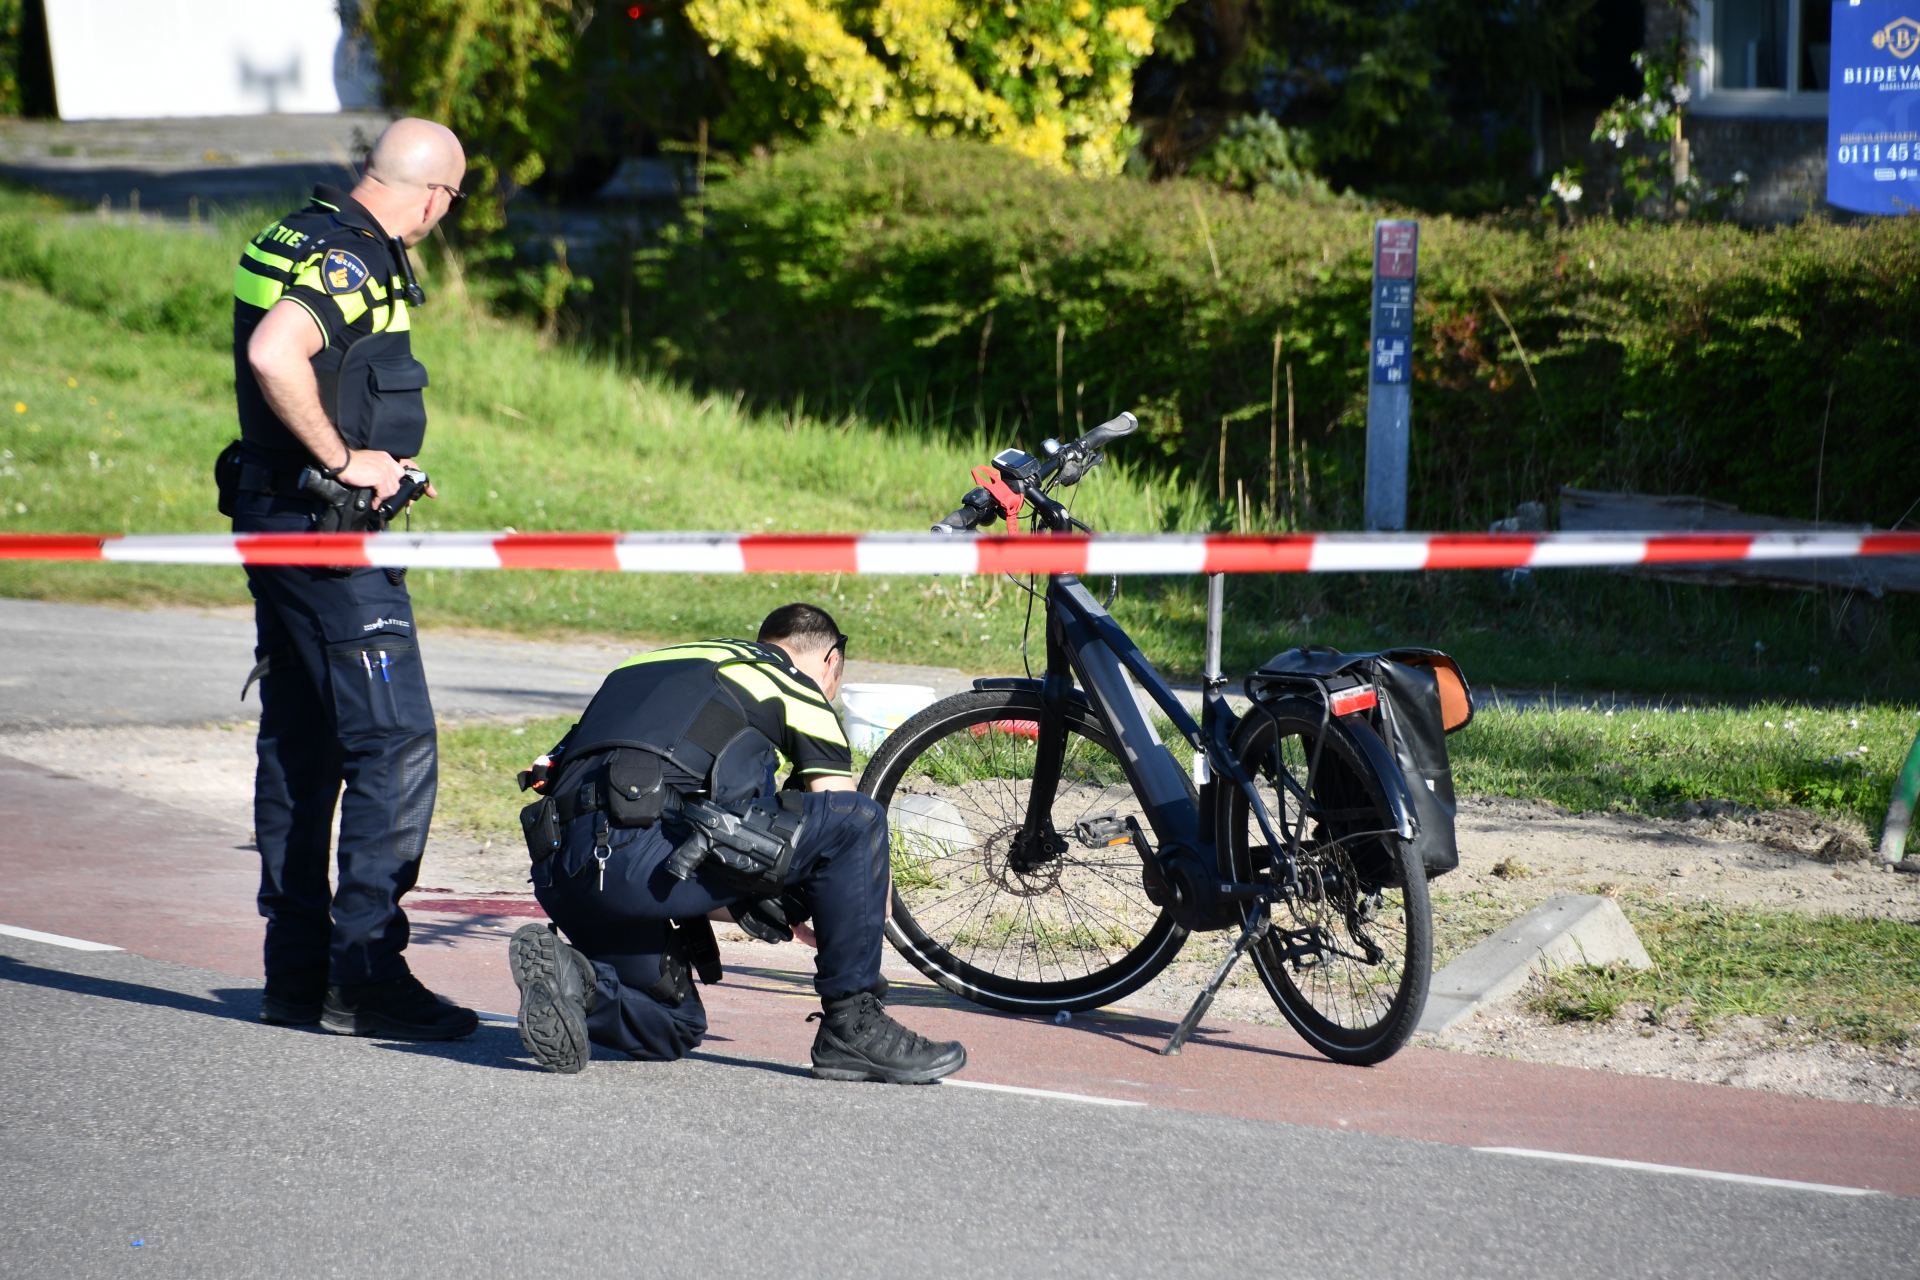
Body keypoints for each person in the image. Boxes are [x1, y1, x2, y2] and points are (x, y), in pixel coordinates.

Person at [230, 118, 477, 1039]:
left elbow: (318, 372)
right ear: (432, 195)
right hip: (323, 539)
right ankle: (365, 973)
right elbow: (275, 352)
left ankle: (294, 974)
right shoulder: (355, 260)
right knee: (396, 744)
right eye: (451, 202)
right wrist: (345, 461)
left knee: (302, 745)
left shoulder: (295, 228)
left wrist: (381, 464)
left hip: (278, 520)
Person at [509, 603, 967, 1083]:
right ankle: (853, 1026)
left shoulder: (641, 667)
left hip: (564, 873)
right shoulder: (787, 680)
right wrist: (855, 911)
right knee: (859, 818)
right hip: (638, 857)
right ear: (830, 662)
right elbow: (848, 825)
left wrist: (759, 905)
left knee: (673, 1026)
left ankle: (578, 983)